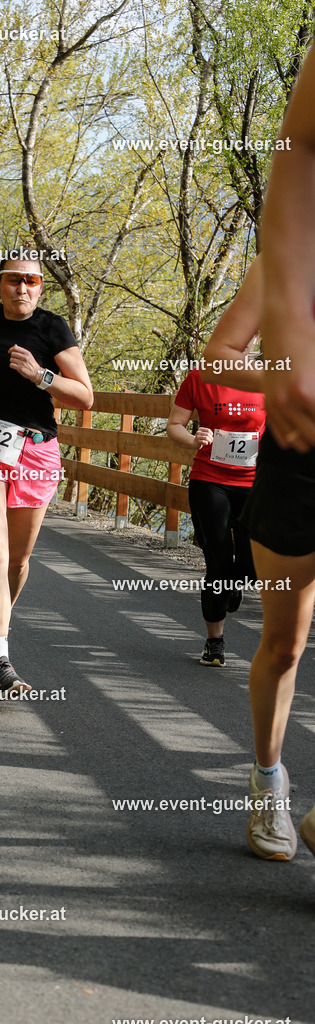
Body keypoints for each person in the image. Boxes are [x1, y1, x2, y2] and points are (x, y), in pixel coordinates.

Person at [200, 48, 315, 860]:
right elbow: (218, 355)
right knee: (284, 640)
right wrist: (286, 373)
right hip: (297, 454)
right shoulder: (281, 260)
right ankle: (268, 787)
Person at [0, 249, 93, 694]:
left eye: (31, 281)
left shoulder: (52, 328)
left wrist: (40, 375)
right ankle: (0, 657)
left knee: (19, 560)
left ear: (41, 286)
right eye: (13, 279)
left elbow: (85, 397)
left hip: (36, 449)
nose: (22, 288)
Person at [167, 324, 266, 667]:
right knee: (218, 563)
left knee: (252, 566)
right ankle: (215, 642)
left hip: (256, 484)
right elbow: (174, 425)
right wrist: (193, 438)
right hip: (211, 481)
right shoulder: (200, 377)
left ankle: (235, 583)